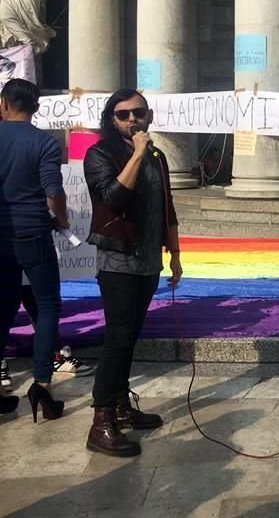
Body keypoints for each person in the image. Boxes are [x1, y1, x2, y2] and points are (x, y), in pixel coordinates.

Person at [84, 89, 182, 457]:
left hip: (148, 260)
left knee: (131, 335)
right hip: (118, 259)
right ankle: (101, 421)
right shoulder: (100, 154)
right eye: (123, 115)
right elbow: (112, 197)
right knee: (118, 338)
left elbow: (167, 206)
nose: (132, 120)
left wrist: (175, 253)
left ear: (149, 115)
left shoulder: (158, 157)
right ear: (112, 119)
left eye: (138, 113)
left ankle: (122, 405)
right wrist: (138, 154)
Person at [0, 78, 66, 420]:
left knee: (4, 306)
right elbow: (53, 191)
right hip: (33, 232)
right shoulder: (44, 142)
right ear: (36, 108)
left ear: (4, 104)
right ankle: (42, 383)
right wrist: (62, 219)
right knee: (47, 304)